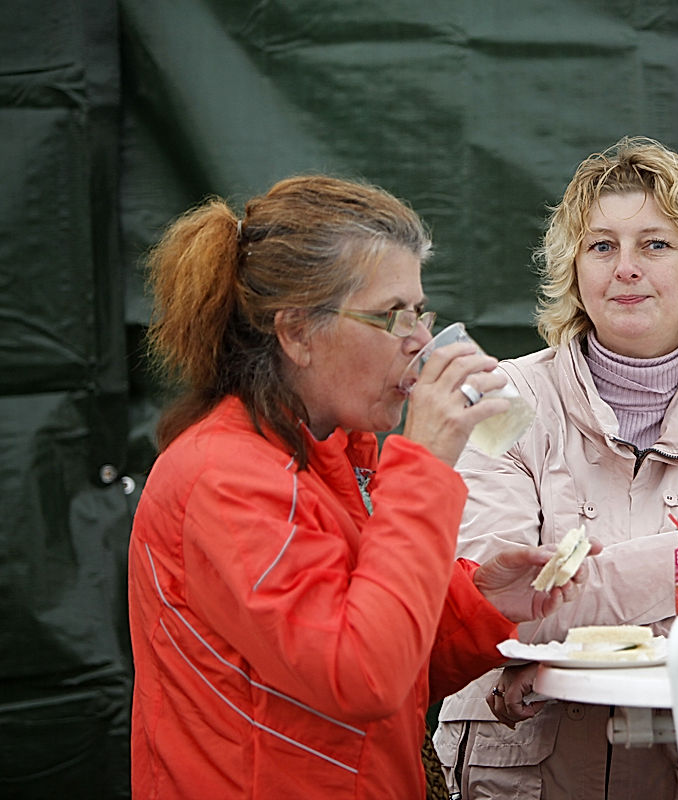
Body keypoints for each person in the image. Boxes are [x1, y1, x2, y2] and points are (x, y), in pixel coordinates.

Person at [127, 175, 599, 800]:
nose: (420, 341)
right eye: (389, 315)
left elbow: (383, 650)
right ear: (295, 332)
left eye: (420, 311)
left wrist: (474, 600)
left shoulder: (329, 457)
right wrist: (426, 464)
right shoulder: (224, 476)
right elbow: (362, 676)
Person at [434, 138, 678, 799]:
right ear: (574, 267)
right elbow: (493, 609)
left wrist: (569, 653)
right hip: (519, 773)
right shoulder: (500, 400)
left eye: (655, 245)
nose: (626, 268)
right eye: (602, 245)